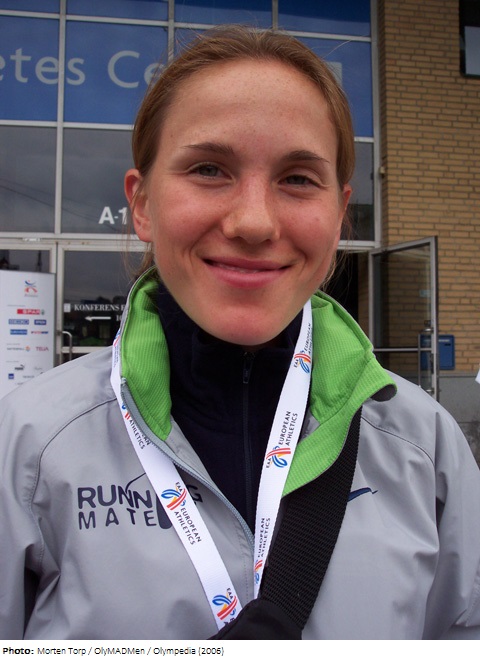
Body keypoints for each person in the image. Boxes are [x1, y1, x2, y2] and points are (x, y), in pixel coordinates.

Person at [1, 25, 480, 641]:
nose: (254, 222)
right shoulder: (29, 443)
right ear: (142, 203)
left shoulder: (424, 445)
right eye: (209, 169)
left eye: (298, 178)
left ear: (339, 213)